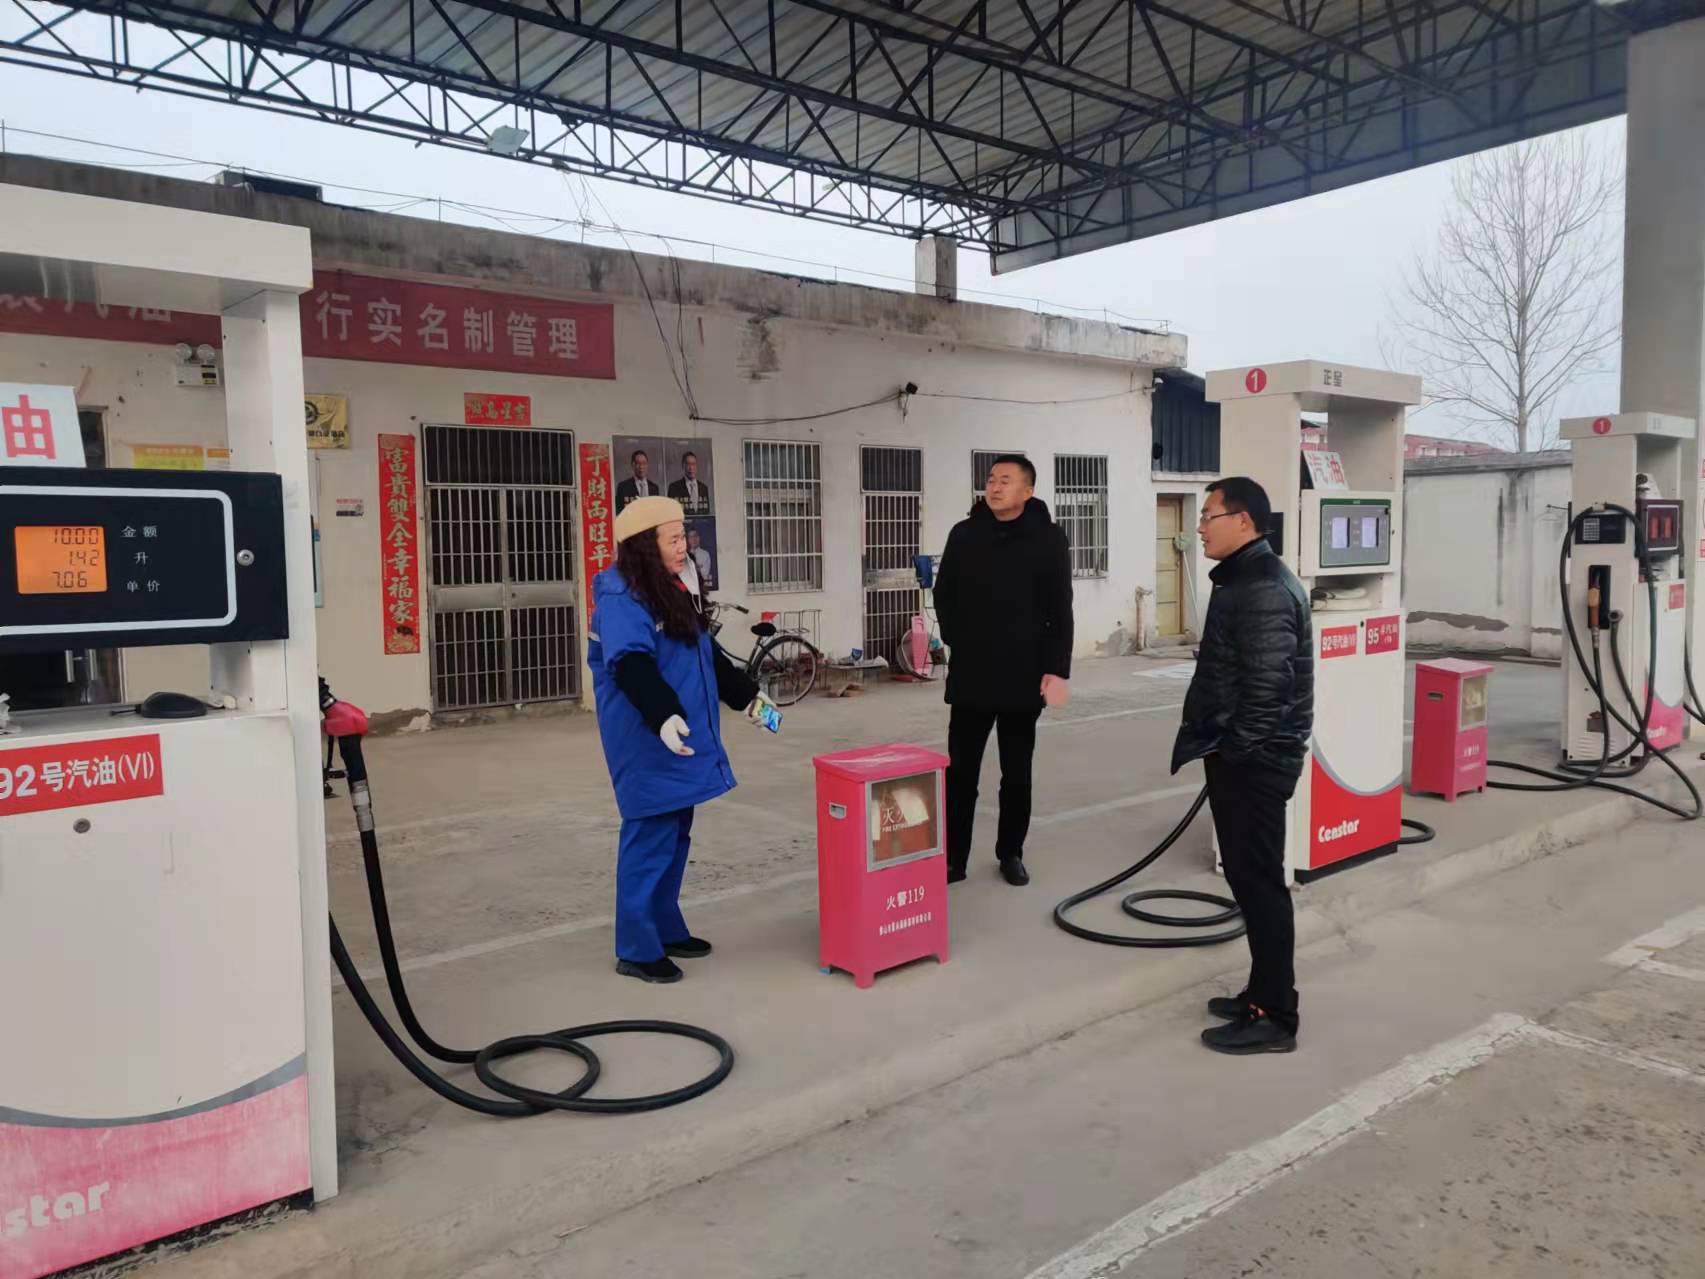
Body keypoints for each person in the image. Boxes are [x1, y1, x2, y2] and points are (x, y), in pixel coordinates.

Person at [588, 496, 778, 983]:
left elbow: (706, 653)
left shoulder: (672, 589)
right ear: (643, 546)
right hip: (648, 739)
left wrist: (750, 699)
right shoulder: (621, 598)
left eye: (683, 537)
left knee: (674, 836)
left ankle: (665, 928)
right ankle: (636, 948)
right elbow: (630, 665)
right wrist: (664, 715)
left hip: (679, 736)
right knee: (650, 838)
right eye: (672, 539)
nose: (683, 547)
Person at [1170, 477, 1313, 1055]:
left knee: (1260, 885)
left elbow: (1267, 688)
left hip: (1256, 762)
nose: (1200, 526)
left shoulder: (1261, 588)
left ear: (1244, 522)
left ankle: (1275, 1016)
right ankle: (1261, 992)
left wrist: (1234, 754)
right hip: (1250, 756)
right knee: (1251, 881)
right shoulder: (1248, 578)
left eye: (1209, 515)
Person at [932, 454, 1073, 887]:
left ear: (1027, 491)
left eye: (1005, 480)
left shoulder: (1048, 539)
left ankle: (1011, 852)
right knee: (961, 773)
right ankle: (954, 858)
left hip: (1023, 674)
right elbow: (944, 593)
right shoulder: (964, 534)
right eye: (991, 479)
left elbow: (1060, 609)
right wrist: (959, 637)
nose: (994, 487)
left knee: (1017, 773)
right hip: (973, 673)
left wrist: (1056, 670)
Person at [687, 524, 715, 590]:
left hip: (702, 587)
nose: (693, 539)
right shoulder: (685, 555)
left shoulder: (705, 554)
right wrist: (698, 567)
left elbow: (705, 573)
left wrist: (692, 569)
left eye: (695, 536)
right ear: (688, 540)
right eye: (690, 537)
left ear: (699, 538)